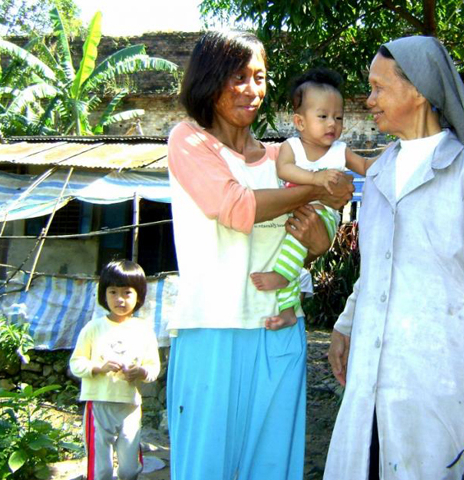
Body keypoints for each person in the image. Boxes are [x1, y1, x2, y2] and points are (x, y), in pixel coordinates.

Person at [324, 36, 464, 480]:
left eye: (378, 88)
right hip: (371, 380)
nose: (368, 101)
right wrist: (344, 325)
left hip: (440, 380)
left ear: (420, 91)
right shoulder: (379, 174)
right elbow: (376, 268)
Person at [166, 31, 353, 480]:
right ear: (209, 80)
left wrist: (317, 241)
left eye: (259, 77)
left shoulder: (281, 158)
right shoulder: (189, 140)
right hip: (212, 329)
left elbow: (317, 234)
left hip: (280, 328)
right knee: (204, 469)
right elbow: (236, 208)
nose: (251, 89)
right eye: (237, 77)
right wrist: (317, 187)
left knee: (274, 469)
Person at [250, 68, 374, 328]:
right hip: (294, 213)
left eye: (338, 117)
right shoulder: (291, 147)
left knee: (292, 248)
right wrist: (317, 179)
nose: (333, 123)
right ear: (300, 122)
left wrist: (395, 153)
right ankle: (287, 309)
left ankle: (282, 278)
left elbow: (365, 166)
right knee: (285, 251)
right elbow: (284, 169)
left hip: (325, 216)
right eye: (323, 116)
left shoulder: (340, 151)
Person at [69, 259, 160, 480]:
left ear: (138, 296)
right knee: (101, 469)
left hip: (129, 405)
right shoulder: (93, 328)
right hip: (98, 403)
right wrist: (97, 368)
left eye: (127, 292)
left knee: (129, 468)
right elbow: (76, 362)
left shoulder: (144, 330)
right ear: (104, 295)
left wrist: (140, 372)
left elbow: (153, 367)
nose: (120, 299)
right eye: (113, 292)